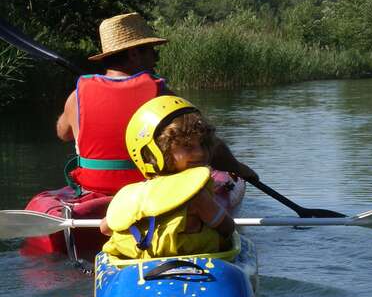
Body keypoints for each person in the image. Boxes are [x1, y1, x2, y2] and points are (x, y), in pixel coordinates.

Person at [56, 12, 257, 197]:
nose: (155, 59)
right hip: (148, 192)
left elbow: (62, 133)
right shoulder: (159, 94)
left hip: (91, 189)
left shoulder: (77, 96)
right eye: (153, 52)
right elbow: (205, 140)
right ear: (134, 53)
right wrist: (238, 168)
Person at [100, 96, 235, 258]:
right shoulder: (197, 196)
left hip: (138, 266)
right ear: (156, 151)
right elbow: (227, 228)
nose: (200, 153)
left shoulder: (136, 194)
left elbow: (105, 228)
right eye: (187, 146)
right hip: (193, 262)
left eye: (203, 144)